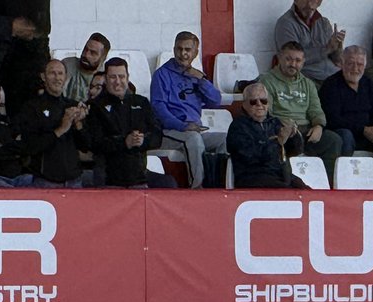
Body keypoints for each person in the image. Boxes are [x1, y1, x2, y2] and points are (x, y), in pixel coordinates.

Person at [150, 31, 224, 190]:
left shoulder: (196, 76)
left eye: (187, 50)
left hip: (194, 130)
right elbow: (159, 109)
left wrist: (202, 80)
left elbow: (216, 101)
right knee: (193, 140)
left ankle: (220, 186)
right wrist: (183, 126)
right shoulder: (161, 74)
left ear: (195, 53)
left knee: (225, 139)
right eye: (179, 49)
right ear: (174, 49)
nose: (182, 54)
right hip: (169, 131)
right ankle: (197, 189)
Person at [257, 42, 341, 178]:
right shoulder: (267, 81)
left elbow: (316, 110)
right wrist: (283, 125)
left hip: (305, 130)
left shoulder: (308, 84)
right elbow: (266, 113)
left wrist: (318, 126)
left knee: (334, 140)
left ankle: (327, 185)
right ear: (279, 58)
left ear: (303, 62)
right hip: (281, 129)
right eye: (288, 59)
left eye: (297, 60)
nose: (293, 64)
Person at [84, 57, 167, 189]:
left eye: (121, 76)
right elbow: (94, 143)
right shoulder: (95, 106)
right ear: (105, 79)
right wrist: (124, 142)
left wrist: (143, 141)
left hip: (139, 179)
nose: (118, 82)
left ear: (128, 78)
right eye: (113, 77)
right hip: (108, 181)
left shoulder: (141, 102)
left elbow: (157, 135)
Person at [319, 44, 373, 166]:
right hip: (345, 134)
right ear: (342, 63)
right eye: (351, 63)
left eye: (360, 64)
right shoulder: (331, 85)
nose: (355, 68)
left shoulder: (368, 83)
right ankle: (342, 180)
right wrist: (363, 130)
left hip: (367, 135)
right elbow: (332, 119)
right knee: (345, 136)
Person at [15, 58, 87, 188]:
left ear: (66, 77)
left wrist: (79, 124)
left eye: (60, 73)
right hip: (46, 181)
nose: (57, 78)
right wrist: (61, 129)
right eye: (52, 73)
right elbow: (30, 146)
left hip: (74, 180)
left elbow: (86, 145)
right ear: (43, 76)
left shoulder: (73, 105)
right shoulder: (32, 107)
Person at [226, 82, 304, 187]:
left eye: (263, 101)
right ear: (244, 104)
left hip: (280, 173)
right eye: (253, 102)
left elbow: (295, 151)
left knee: (308, 193)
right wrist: (278, 141)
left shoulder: (275, 122)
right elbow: (251, 157)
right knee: (287, 193)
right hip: (253, 176)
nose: (259, 104)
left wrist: (293, 134)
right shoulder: (238, 127)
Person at [274, 0, 344, 84]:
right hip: (307, 80)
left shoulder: (324, 22)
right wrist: (326, 49)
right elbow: (292, 60)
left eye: (313, 0)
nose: (309, 4)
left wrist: (338, 46)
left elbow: (337, 60)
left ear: (319, 2)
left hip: (332, 76)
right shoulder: (285, 23)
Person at [62, 31, 108, 103]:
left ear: (103, 58)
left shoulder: (106, 77)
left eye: (93, 53)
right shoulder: (67, 65)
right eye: (85, 49)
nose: (86, 55)